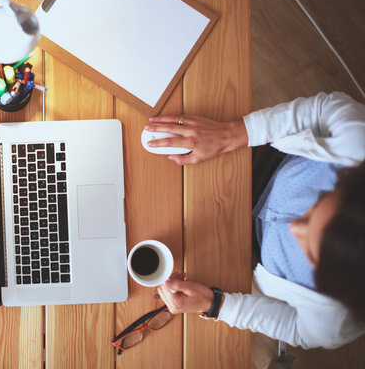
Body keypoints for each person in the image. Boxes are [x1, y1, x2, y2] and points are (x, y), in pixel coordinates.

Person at [144, 92, 365, 349]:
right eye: (316, 206)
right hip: (263, 164)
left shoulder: (336, 322)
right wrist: (230, 134)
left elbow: (298, 330)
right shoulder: (358, 143)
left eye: (311, 256)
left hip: (247, 256)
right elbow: (323, 110)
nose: (294, 228)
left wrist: (214, 305)